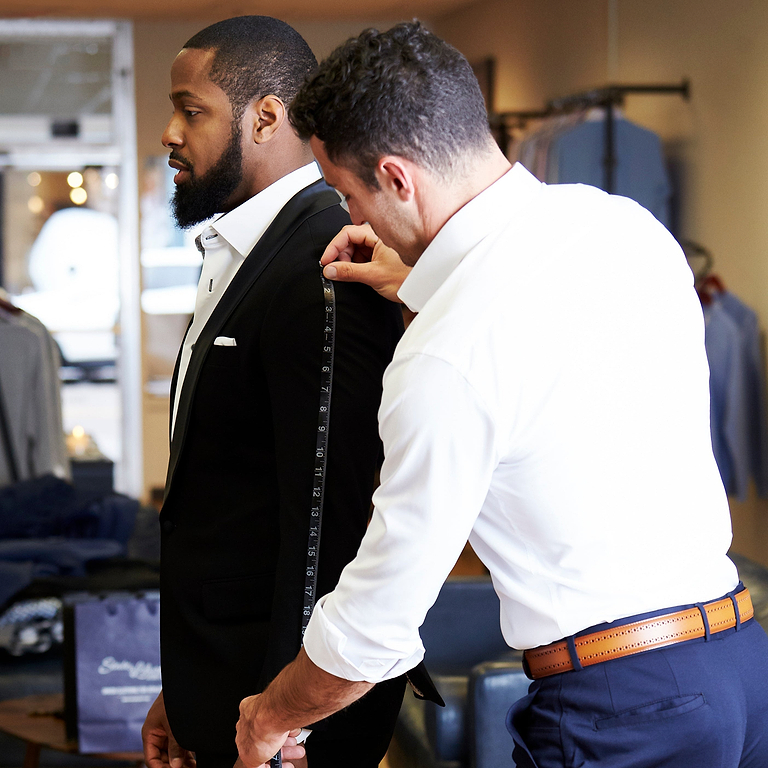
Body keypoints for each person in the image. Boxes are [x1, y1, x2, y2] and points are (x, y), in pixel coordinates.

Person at [233, 21, 768, 768]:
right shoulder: (626, 229)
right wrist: (425, 284)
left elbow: (376, 622)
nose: (353, 219)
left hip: (626, 710)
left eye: (349, 194)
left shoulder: (444, 355)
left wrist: (268, 715)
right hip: (742, 665)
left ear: (397, 178)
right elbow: (549, 369)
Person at [140, 16, 406, 768]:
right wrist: (184, 686)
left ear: (265, 117)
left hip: (280, 730)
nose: (169, 132)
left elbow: (330, 526)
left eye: (191, 111)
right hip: (225, 696)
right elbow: (227, 509)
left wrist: (290, 720)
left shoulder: (322, 261)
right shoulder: (241, 249)